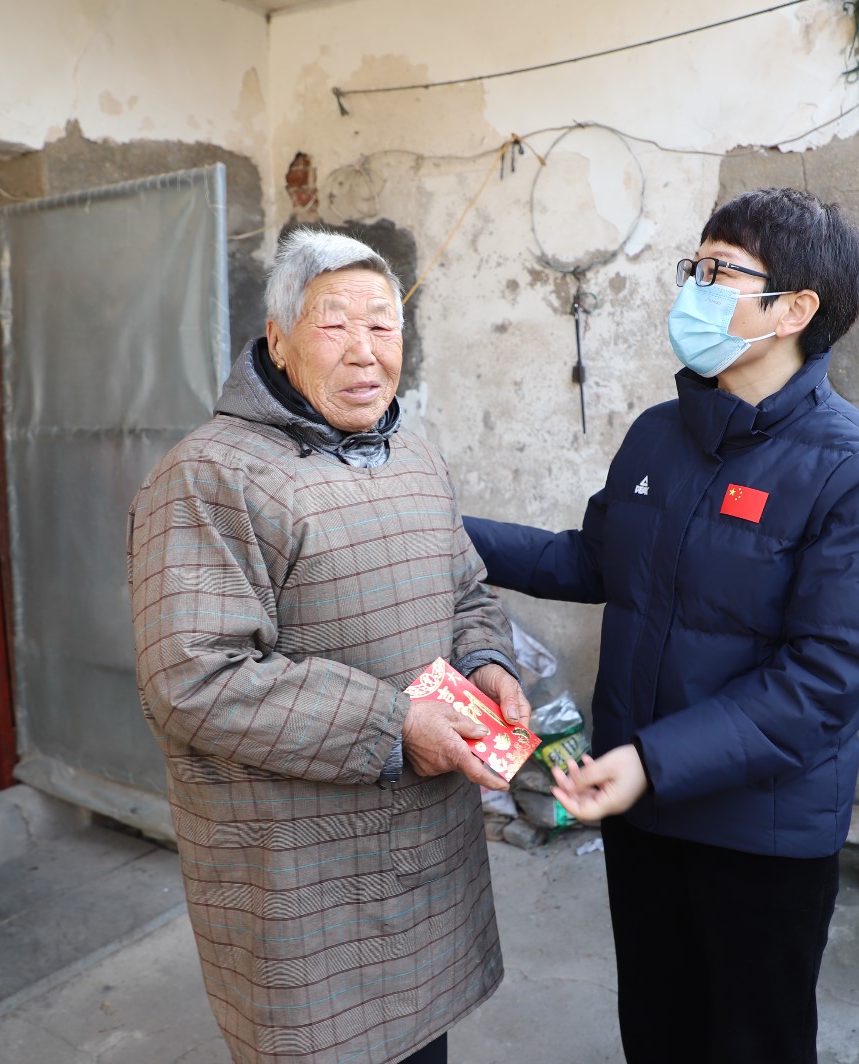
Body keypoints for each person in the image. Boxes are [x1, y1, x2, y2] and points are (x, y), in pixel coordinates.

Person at [465, 188, 859, 1063]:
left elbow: (823, 685)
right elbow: (591, 561)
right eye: (694, 267)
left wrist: (651, 761)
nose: (693, 291)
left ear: (794, 310)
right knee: (658, 1032)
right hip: (642, 817)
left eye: (720, 273)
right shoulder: (659, 437)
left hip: (759, 835)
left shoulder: (857, 473)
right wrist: (444, 533)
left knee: (751, 1044)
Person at [128, 229, 530, 1064]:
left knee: (422, 1043)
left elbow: (466, 591)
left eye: (382, 324)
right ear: (277, 340)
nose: (364, 351)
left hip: (429, 847)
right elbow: (194, 675)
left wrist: (486, 662)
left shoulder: (413, 455)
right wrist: (395, 727)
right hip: (300, 874)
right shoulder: (210, 475)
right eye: (334, 323)